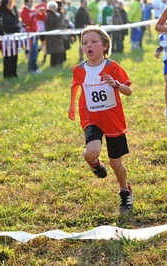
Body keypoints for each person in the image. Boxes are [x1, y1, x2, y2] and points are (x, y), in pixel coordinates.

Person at [68, 25, 134, 212]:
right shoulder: (79, 69)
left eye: (94, 42)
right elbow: (75, 85)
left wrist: (117, 84)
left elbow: (129, 91)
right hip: (91, 116)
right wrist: (72, 105)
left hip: (113, 118)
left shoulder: (113, 67)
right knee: (92, 151)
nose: (88, 46)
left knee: (115, 163)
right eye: (85, 43)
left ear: (105, 46)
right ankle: (93, 162)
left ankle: (125, 191)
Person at [21, 0, 45, 73]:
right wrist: (35, 13)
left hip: (35, 33)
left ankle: (31, 66)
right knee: (33, 50)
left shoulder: (33, 10)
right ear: (26, 2)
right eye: (30, 2)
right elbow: (27, 22)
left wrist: (42, 12)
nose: (31, 3)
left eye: (32, 2)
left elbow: (42, 18)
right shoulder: (24, 12)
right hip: (29, 34)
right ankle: (34, 67)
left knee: (34, 50)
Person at [0, 0, 21, 78]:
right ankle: (7, 74)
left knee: (14, 55)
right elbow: (6, 28)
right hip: (7, 38)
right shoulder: (3, 14)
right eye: (9, 3)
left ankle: (13, 72)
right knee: (8, 56)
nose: (10, 4)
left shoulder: (12, 12)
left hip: (14, 37)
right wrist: (17, 27)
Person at [45, 1, 65, 66]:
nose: (55, 8)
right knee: (53, 50)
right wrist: (61, 15)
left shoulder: (54, 14)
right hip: (51, 35)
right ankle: (53, 63)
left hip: (55, 35)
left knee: (57, 49)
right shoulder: (48, 14)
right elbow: (54, 21)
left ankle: (57, 62)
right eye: (53, 7)